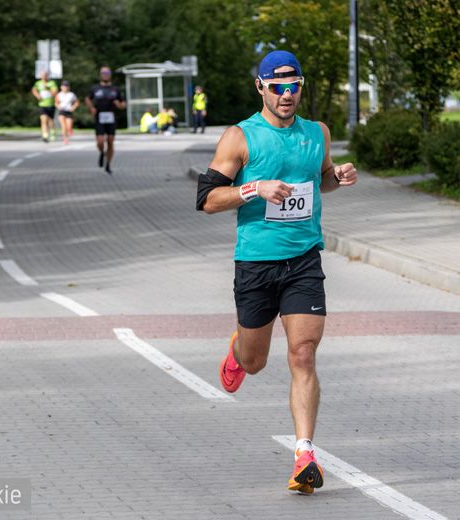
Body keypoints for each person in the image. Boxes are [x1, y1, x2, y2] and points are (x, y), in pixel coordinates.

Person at [195, 50, 357, 495]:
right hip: (256, 263)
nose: (287, 94)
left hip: (304, 258)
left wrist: (337, 176)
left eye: (294, 85)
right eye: (278, 86)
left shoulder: (317, 133)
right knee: (256, 360)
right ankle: (238, 349)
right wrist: (254, 188)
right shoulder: (240, 137)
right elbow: (206, 199)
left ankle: (305, 454)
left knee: (303, 354)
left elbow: (320, 179)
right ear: (261, 88)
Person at [85, 66, 126, 174]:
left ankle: (108, 164)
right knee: (100, 141)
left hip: (111, 117)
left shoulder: (115, 89)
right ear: (100, 74)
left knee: (110, 141)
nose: (105, 74)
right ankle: (102, 153)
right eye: (103, 72)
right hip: (99, 117)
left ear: (110, 74)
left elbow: (123, 104)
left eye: (107, 72)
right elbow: (87, 99)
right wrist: (91, 108)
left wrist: (119, 105)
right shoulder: (95, 88)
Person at [31, 70, 58, 142]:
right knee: (43, 120)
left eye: (45, 75)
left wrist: (48, 88)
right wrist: (37, 96)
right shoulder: (38, 83)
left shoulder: (51, 83)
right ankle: (45, 135)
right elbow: (34, 90)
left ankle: (52, 133)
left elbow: (55, 92)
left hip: (50, 104)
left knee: (50, 121)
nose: (43, 77)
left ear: (47, 76)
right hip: (42, 104)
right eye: (42, 75)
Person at [55, 81, 79, 145]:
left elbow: (76, 102)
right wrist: (58, 107)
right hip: (62, 111)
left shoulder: (71, 94)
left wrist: (73, 108)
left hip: (69, 111)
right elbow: (56, 103)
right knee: (63, 126)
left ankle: (70, 130)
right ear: (61, 87)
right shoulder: (59, 94)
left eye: (66, 86)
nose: (65, 88)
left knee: (69, 126)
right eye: (64, 86)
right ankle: (65, 139)